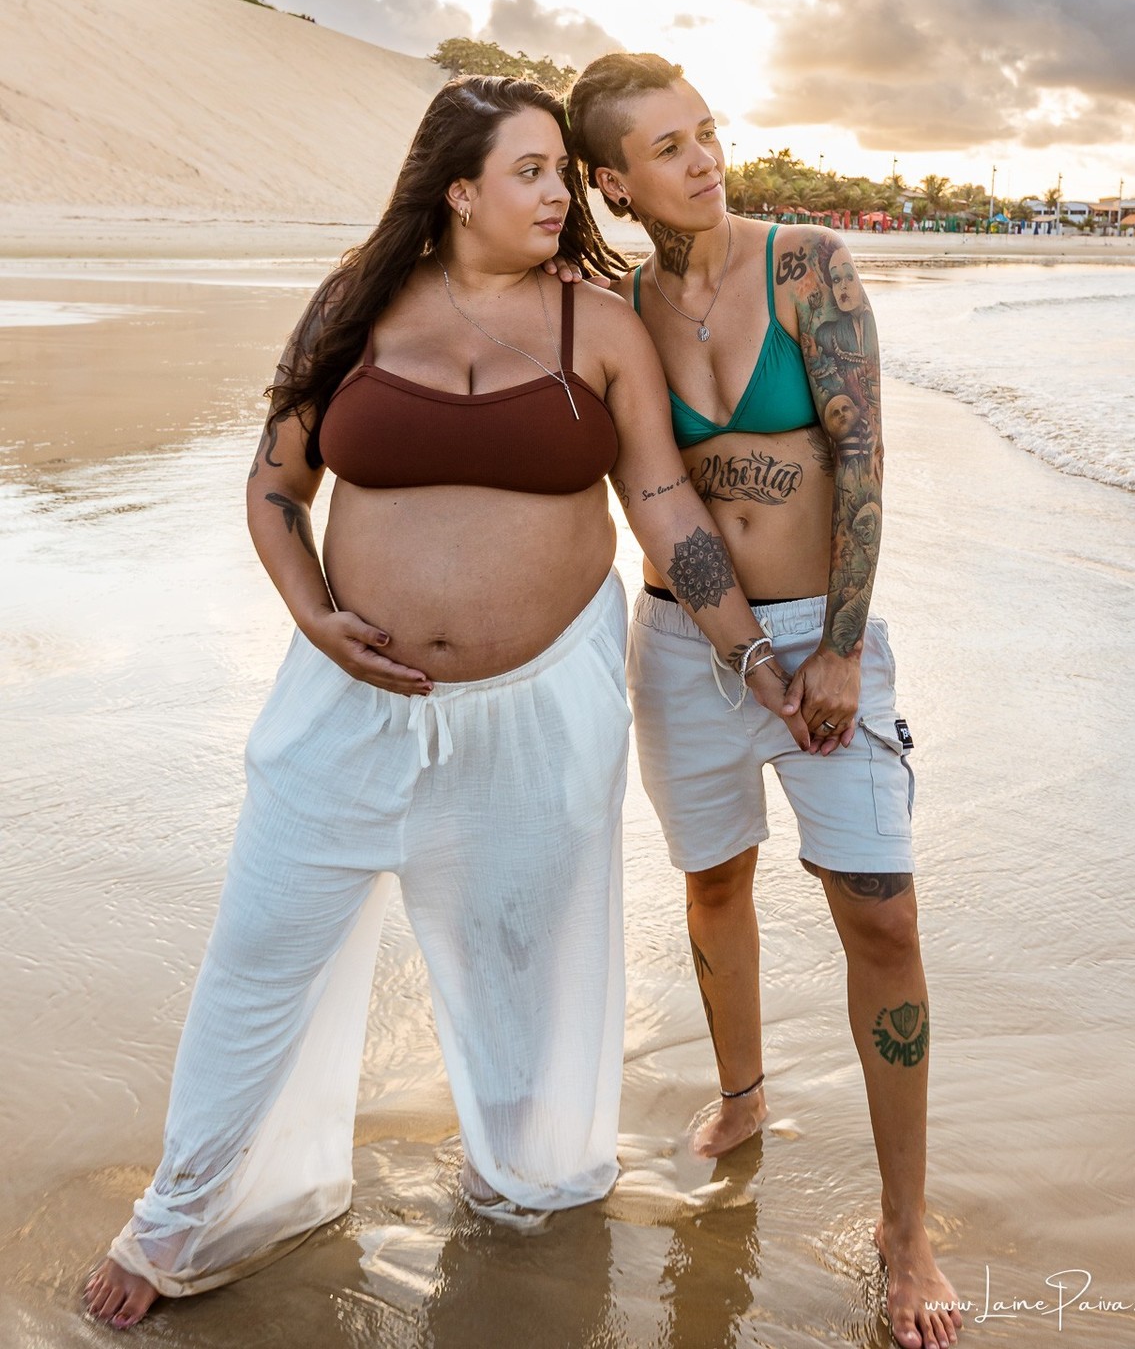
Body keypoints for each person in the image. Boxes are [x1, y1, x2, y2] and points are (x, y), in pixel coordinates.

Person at [84, 75, 806, 1330]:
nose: (558, 193)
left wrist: (754, 659)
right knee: (261, 958)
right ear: (458, 189)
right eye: (528, 171)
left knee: (527, 977)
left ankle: (525, 1199)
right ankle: (183, 1216)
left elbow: (665, 508)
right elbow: (273, 489)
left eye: (559, 171)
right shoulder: (357, 307)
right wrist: (312, 613)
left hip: (535, 726)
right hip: (342, 714)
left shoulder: (598, 324)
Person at [568, 54, 962, 1349]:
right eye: (667, 148)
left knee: (883, 918)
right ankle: (741, 1096)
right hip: (689, 644)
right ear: (613, 181)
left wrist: (840, 648)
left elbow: (864, 458)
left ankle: (907, 1231)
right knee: (716, 883)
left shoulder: (809, 267)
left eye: (708, 132)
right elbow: (642, 488)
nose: (704, 159)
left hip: (823, 635)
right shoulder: (621, 304)